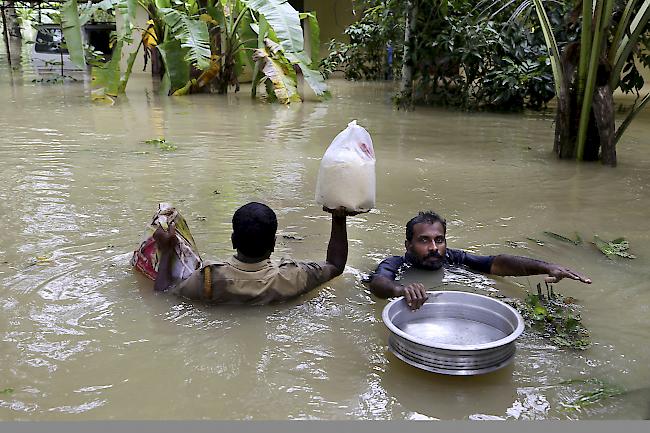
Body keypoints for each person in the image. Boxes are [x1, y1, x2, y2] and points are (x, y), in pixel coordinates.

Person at [368, 211, 592, 310]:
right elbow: (379, 283)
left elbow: (496, 264)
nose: (434, 248)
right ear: (408, 245)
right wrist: (401, 290)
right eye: (424, 241)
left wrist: (547, 266)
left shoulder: (453, 258)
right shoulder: (396, 264)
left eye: (439, 240)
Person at [152, 202, 362, 305]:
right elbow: (335, 265)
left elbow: (162, 295)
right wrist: (338, 217)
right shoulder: (292, 277)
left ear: (233, 241)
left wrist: (167, 251)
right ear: (273, 244)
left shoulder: (207, 279)